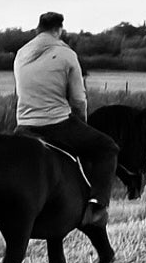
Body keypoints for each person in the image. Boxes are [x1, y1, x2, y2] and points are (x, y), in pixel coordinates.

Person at [13, 12, 118, 221]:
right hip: (55, 124)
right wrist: (82, 123)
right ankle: (97, 206)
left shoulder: (21, 53)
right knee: (108, 148)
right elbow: (78, 100)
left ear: (38, 28)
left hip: (23, 125)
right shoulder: (66, 54)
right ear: (58, 29)